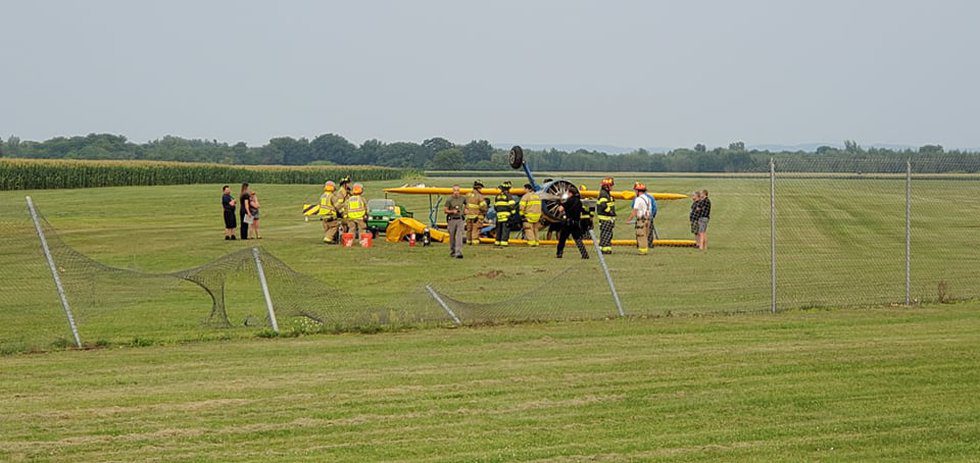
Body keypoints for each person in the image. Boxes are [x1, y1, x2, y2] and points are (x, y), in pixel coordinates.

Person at [555, 187, 589, 259]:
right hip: (576, 223)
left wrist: (559, 203)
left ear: (570, 193)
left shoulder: (569, 201)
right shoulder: (579, 201)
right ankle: (584, 254)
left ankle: (559, 253)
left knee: (562, 239)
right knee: (578, 239)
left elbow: (560, 209)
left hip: (568, 223)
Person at [627, 182, 653, 255]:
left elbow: (635, 211)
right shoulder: (648, 199)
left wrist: (629, 219)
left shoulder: (638, 199)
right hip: (648, 219)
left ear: (638, 191)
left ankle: (642, 251)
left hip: (641, 220)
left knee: (641, 235)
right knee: (645, 235)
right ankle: (645, 249)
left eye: (635, 190)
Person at [444, 185, 466, 258]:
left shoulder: (463, 198)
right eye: (455, 190)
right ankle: (453, 250)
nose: (456, 192)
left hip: (460, 219)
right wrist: (452, 211)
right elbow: (445, 210)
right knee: (452, 236)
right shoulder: (449, 200)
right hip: (452, 219)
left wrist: (465, 210)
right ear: (452, 191)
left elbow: (467, 205)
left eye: (458, 190)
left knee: (459, 236)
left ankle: (458, 252)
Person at [596, 177, 616, 254]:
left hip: (607, 218)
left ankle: (604, 248)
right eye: (610, 185)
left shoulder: (606, 193)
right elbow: (603, 205)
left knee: (606, 233)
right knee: (606, 234)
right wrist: (610, 212)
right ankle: (605, 249)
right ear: (606, 186)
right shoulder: (604, 194)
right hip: (606, 218)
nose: (612, 187)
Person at [493, 181, 516, 247]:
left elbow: (495, 206)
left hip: (499, 216)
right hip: (506, 216)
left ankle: (497, 242)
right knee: (505, 230)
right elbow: (512, 206)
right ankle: (504, 243)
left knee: (499, 230)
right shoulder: (508, 196)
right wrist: (513, 214)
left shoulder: (497, 196)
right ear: (508, 188)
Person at [465, 180, 488, 245]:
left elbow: (465, 205)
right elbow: (483, 207)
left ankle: (468, 241)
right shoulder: (480, 196)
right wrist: (485, 211)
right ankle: (475, 241)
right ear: (478, 188)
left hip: (468, 216)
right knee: (476, 229)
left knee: (469, 229)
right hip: (477, 216)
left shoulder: (468, 195)